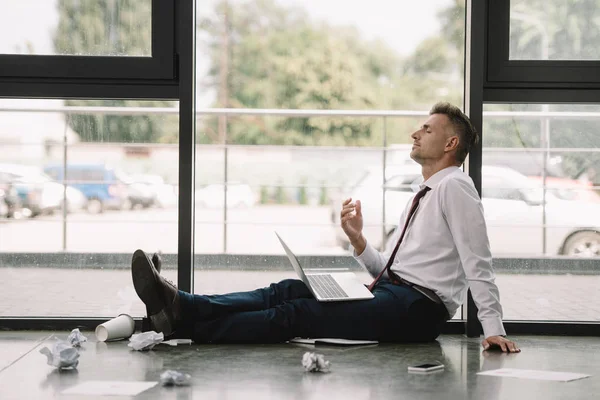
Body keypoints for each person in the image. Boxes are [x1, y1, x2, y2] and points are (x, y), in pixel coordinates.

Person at [131, 102, 520, 352]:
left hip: (417, 310)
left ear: (452, 143)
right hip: (393, 294)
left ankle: (182, 326)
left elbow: (478, 262)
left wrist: (492, 327)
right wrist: (359, 240)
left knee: (297, 313)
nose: (415, 134)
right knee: (287, 290)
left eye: (427, 129)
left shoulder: (456, 186)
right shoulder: (427, 191)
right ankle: (183, 305)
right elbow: (394, 272)